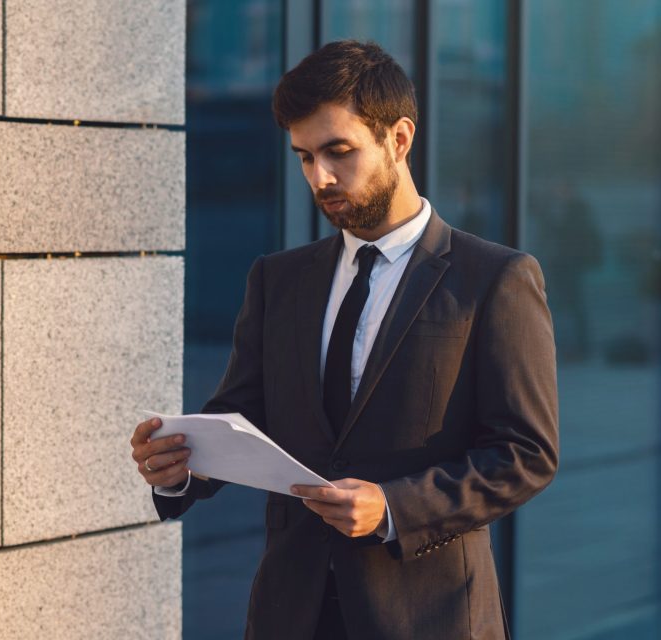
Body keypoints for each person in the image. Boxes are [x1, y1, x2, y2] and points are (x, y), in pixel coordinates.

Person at [130, 41, 558, 639]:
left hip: (426, 616)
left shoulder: (494, 278)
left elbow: (526, 453)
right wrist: (180, 466)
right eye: (304, 157)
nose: (320, 176)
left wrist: (394, 508)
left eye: (339, 151)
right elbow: (242, 416)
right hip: (292, 612)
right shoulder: (277, 279)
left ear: (399, 139)